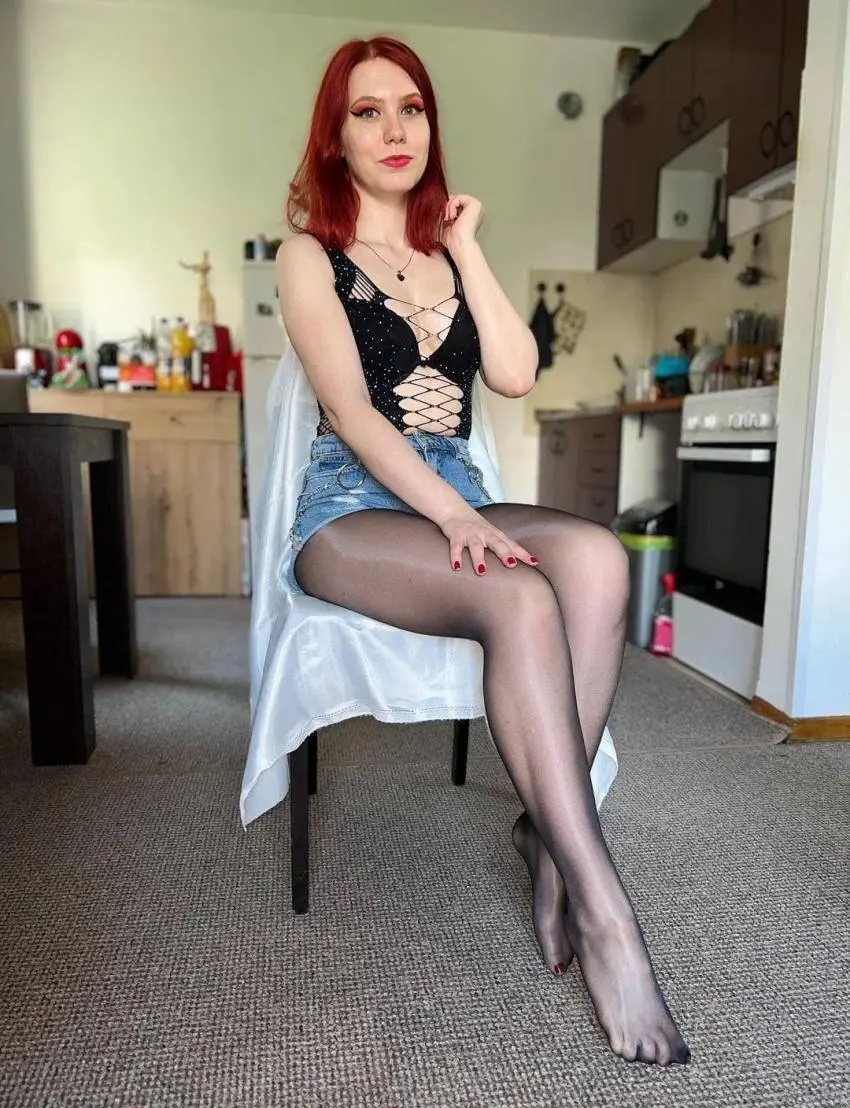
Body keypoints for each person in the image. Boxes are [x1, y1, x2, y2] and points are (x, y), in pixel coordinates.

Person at [274, 35, 690, 1067]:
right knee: (521, 596)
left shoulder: (446, 252)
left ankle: (546, 832)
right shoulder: (308, 257)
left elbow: (512, 372)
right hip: (350, 514)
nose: (395, 129)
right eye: (367, 111)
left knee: (597, 559)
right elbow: (353, 417)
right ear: (335, 136)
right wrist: (457, 521)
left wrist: (465, 247)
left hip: (454, 492)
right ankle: (607, 914)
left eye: (411, 107)